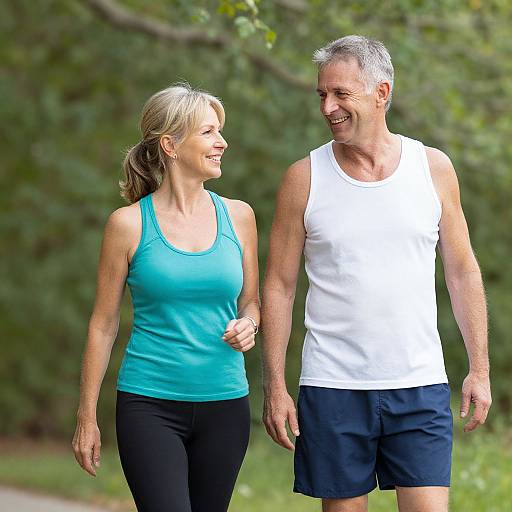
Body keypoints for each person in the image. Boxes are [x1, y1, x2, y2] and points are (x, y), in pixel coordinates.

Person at [261, 35, 491, 512]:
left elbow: (463, 271)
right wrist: (276, 386)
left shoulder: (433, 169)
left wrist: (479, 369)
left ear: (382, 93)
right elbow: (279, 287)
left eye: (341, 94)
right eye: (321, 94)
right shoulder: (303, 178)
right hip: (333, 386)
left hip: (419, 382)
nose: (328, 107)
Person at [72, 83, 260, 512]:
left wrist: (249, 324)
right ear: (171, 144)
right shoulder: (127, 225)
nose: (222, 142)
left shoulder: (240, 216)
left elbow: (252, 301)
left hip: (226, 404)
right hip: (149, 404)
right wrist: (86, 417)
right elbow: (103, 323)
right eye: (209, 132)